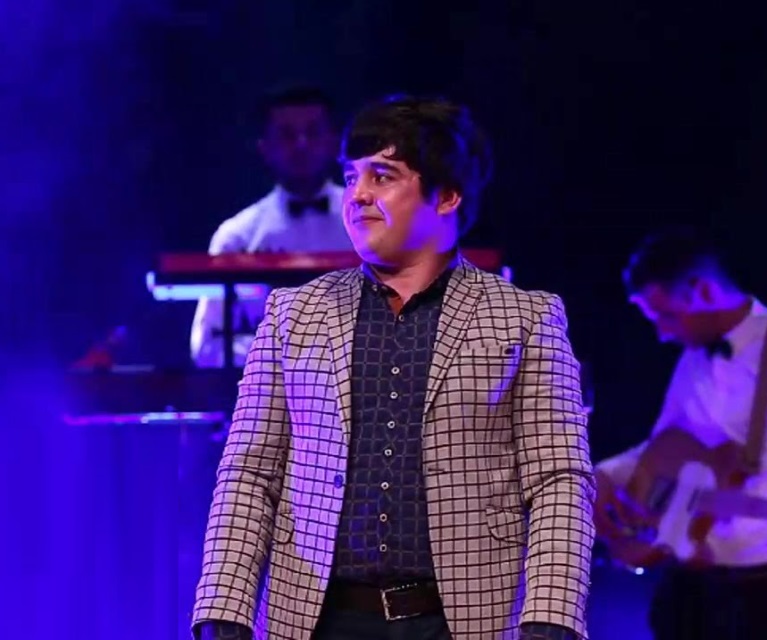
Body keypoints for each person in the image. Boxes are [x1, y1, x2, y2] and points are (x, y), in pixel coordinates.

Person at [191, 94, 595, 640]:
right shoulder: (292, 314)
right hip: (318, 620)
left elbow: (558, 480)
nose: (357, 194)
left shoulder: (526, 319)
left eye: (382, 176)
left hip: (464, 620)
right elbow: (249, 473)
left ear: (447, 195)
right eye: (351, 177)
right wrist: (224, 608)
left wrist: (550, 616)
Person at [594, 227, 767, 639]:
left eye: (667, 316)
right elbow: (664, 448)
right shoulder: (693, 359)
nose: (663, 333)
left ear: (702, 291)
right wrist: (602, 476)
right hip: (688, 582)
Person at [190, 84, 353, 368]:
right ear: (264, 148)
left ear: (334, 142)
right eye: (287, 135)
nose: (301, 144)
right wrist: (284, 357)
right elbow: (207, 346)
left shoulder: (371, 221)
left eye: (313, 132)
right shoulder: (237, 236)